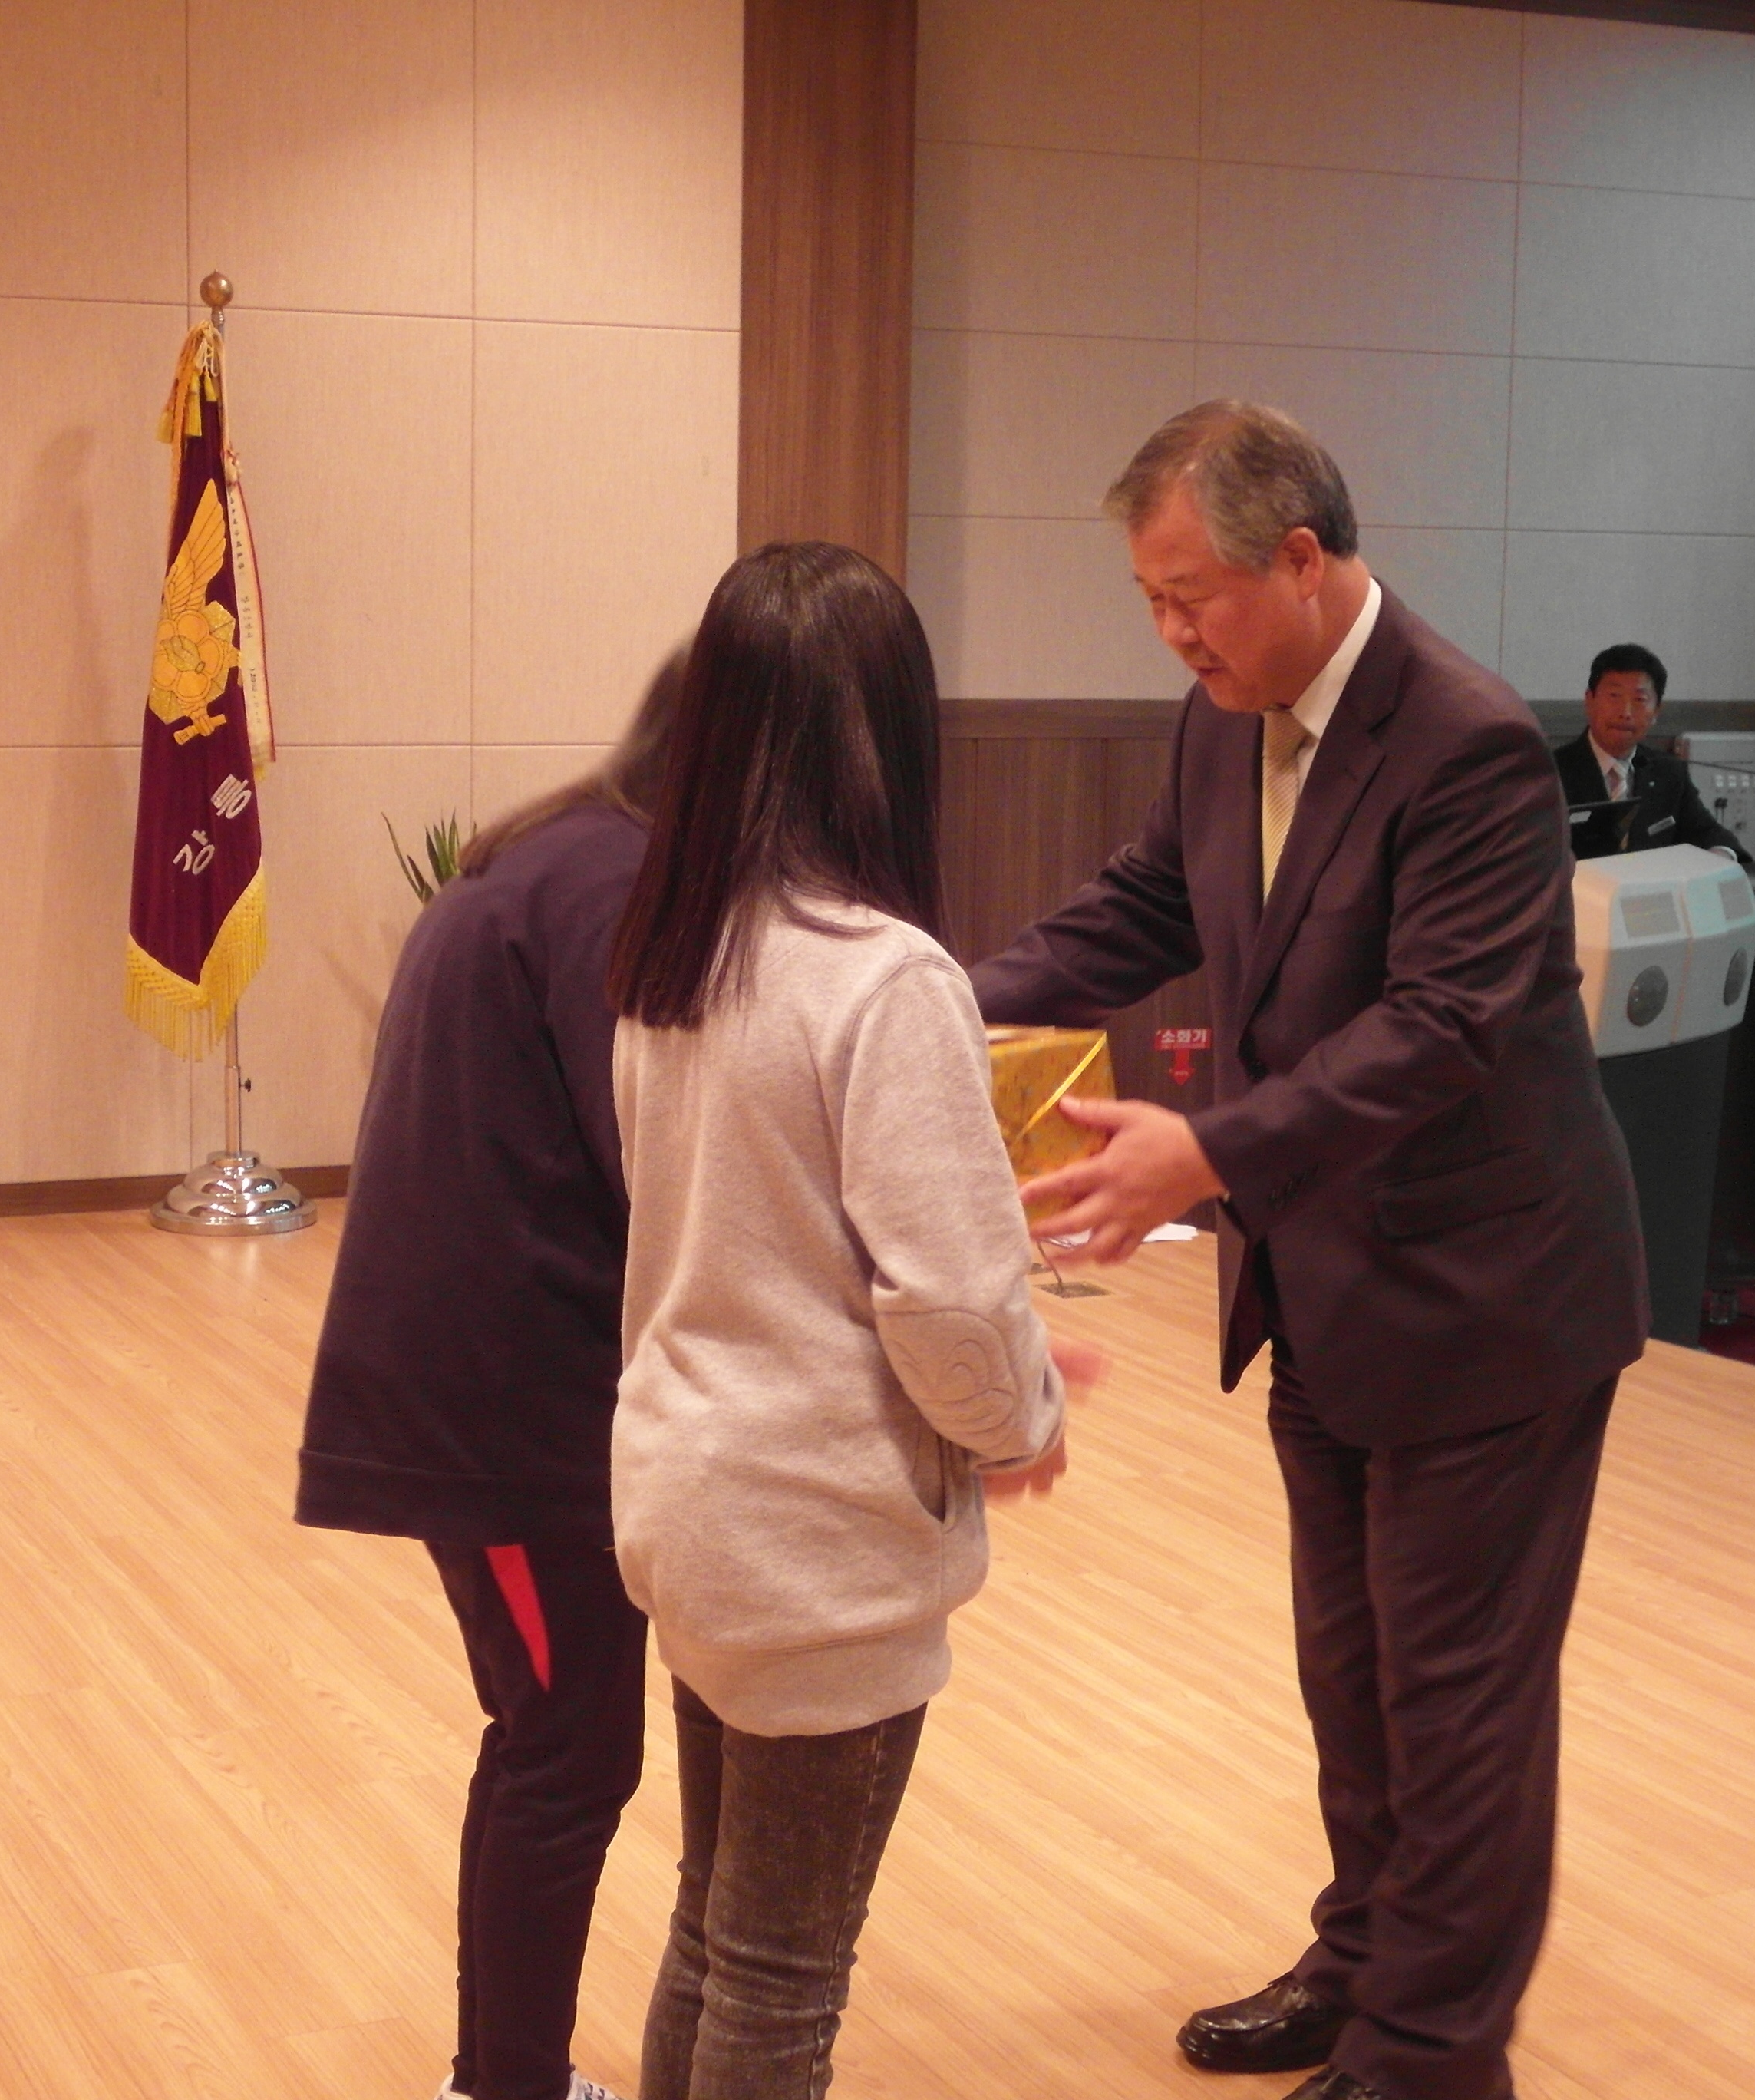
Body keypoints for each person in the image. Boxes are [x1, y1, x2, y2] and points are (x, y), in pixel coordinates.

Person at [972, 402, 1648, 2100]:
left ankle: (1431, 2058)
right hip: (1326, 1284)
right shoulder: (1223, 723)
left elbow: (1442, 1029)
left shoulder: (1466, 741)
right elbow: (1146, 906)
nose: (1170, 632)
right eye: (1148, 601)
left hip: (1487, 1301)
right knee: (1354, 1680)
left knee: (1458, 1699)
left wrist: (1209, 1150)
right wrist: (931, 998)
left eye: (1189, 596)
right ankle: (1362, 1969)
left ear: (1298, 559)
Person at [603, 540, 1091, 2100]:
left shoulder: (677, 954)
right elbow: (949, 1301)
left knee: (715, 1933)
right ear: (887, 734)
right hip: (815, 1535)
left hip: (692, 1500)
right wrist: (1022, 1418)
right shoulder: (885, 981)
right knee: (780, 1976)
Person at [295, 653, 686, 2100]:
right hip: (507, 1413)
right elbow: (655, 1152)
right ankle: (506, 2084)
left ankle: (503, 2074)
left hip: (496, 1385)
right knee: (564, 1750)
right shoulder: (613, 888)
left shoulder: (566, 853)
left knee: (548, 1737)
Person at [1549, 642, 1747, 861]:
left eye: (1639, 700)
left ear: (1656, 712)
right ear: (1589, 701)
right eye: (1614, 696)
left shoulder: (1668, 771)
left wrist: (1719, 857)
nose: (1625, 712)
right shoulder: (1549, 773)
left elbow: (1710, 834)